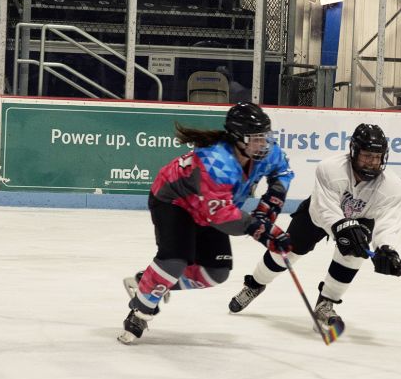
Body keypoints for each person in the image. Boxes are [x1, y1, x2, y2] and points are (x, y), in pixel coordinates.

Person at [118, 102, 294, 344]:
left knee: (216, 272)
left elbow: (282, 172)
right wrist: (261, 230)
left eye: (264, 136)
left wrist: (271, 203)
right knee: (175, 261)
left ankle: (147, 281)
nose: (263, 143)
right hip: (174, 201)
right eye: (256, 138)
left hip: (207, 206)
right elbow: (220, 216)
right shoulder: (216, 161)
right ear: (238, 138)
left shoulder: (264, 152)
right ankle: (141, 309)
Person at [228, 123, 401, 334]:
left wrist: (387, 249)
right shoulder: (330, 168)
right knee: (286, 251)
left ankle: (325, 303)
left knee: (353, 255)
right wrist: (343, 227)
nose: (373, 163)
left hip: (360, 220)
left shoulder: (393, 187)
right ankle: (255, 284)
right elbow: (325, 210)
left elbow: (388, 222)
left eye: (378, 157)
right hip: (317, 215)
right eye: (367, 155)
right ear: (354, 152)